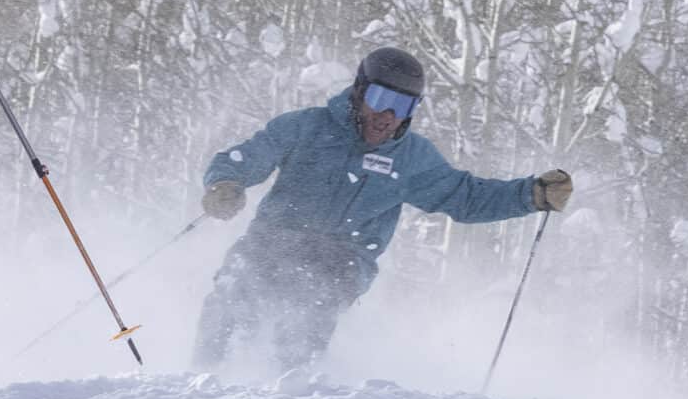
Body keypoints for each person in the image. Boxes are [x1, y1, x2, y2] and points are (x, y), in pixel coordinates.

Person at [193, 45, 570, 370]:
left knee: (311, 299)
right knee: (235, 287)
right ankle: (207, 378)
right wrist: (225, 183)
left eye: (402, 106)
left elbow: (466, 197)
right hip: (273, 239)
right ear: (359, 93)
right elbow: (248, 155)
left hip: (342, 256)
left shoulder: (410, 158)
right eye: (380, 100)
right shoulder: (308, 127)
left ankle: (290, 389)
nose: (387, 116)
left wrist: (531, 194)